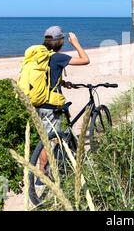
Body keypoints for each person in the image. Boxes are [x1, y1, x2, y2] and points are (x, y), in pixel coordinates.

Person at [36, 26, 90, 185]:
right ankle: (42, 176)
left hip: (38, 100)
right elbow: (85, 60)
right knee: (48, 139)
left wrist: (62, 82)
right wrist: (76, 43)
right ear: (59, 41)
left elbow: (46, 75)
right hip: (50, 104)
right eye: (63, 40)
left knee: (49, 135)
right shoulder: (57, 57)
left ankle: (56, 163)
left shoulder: (41, 55)